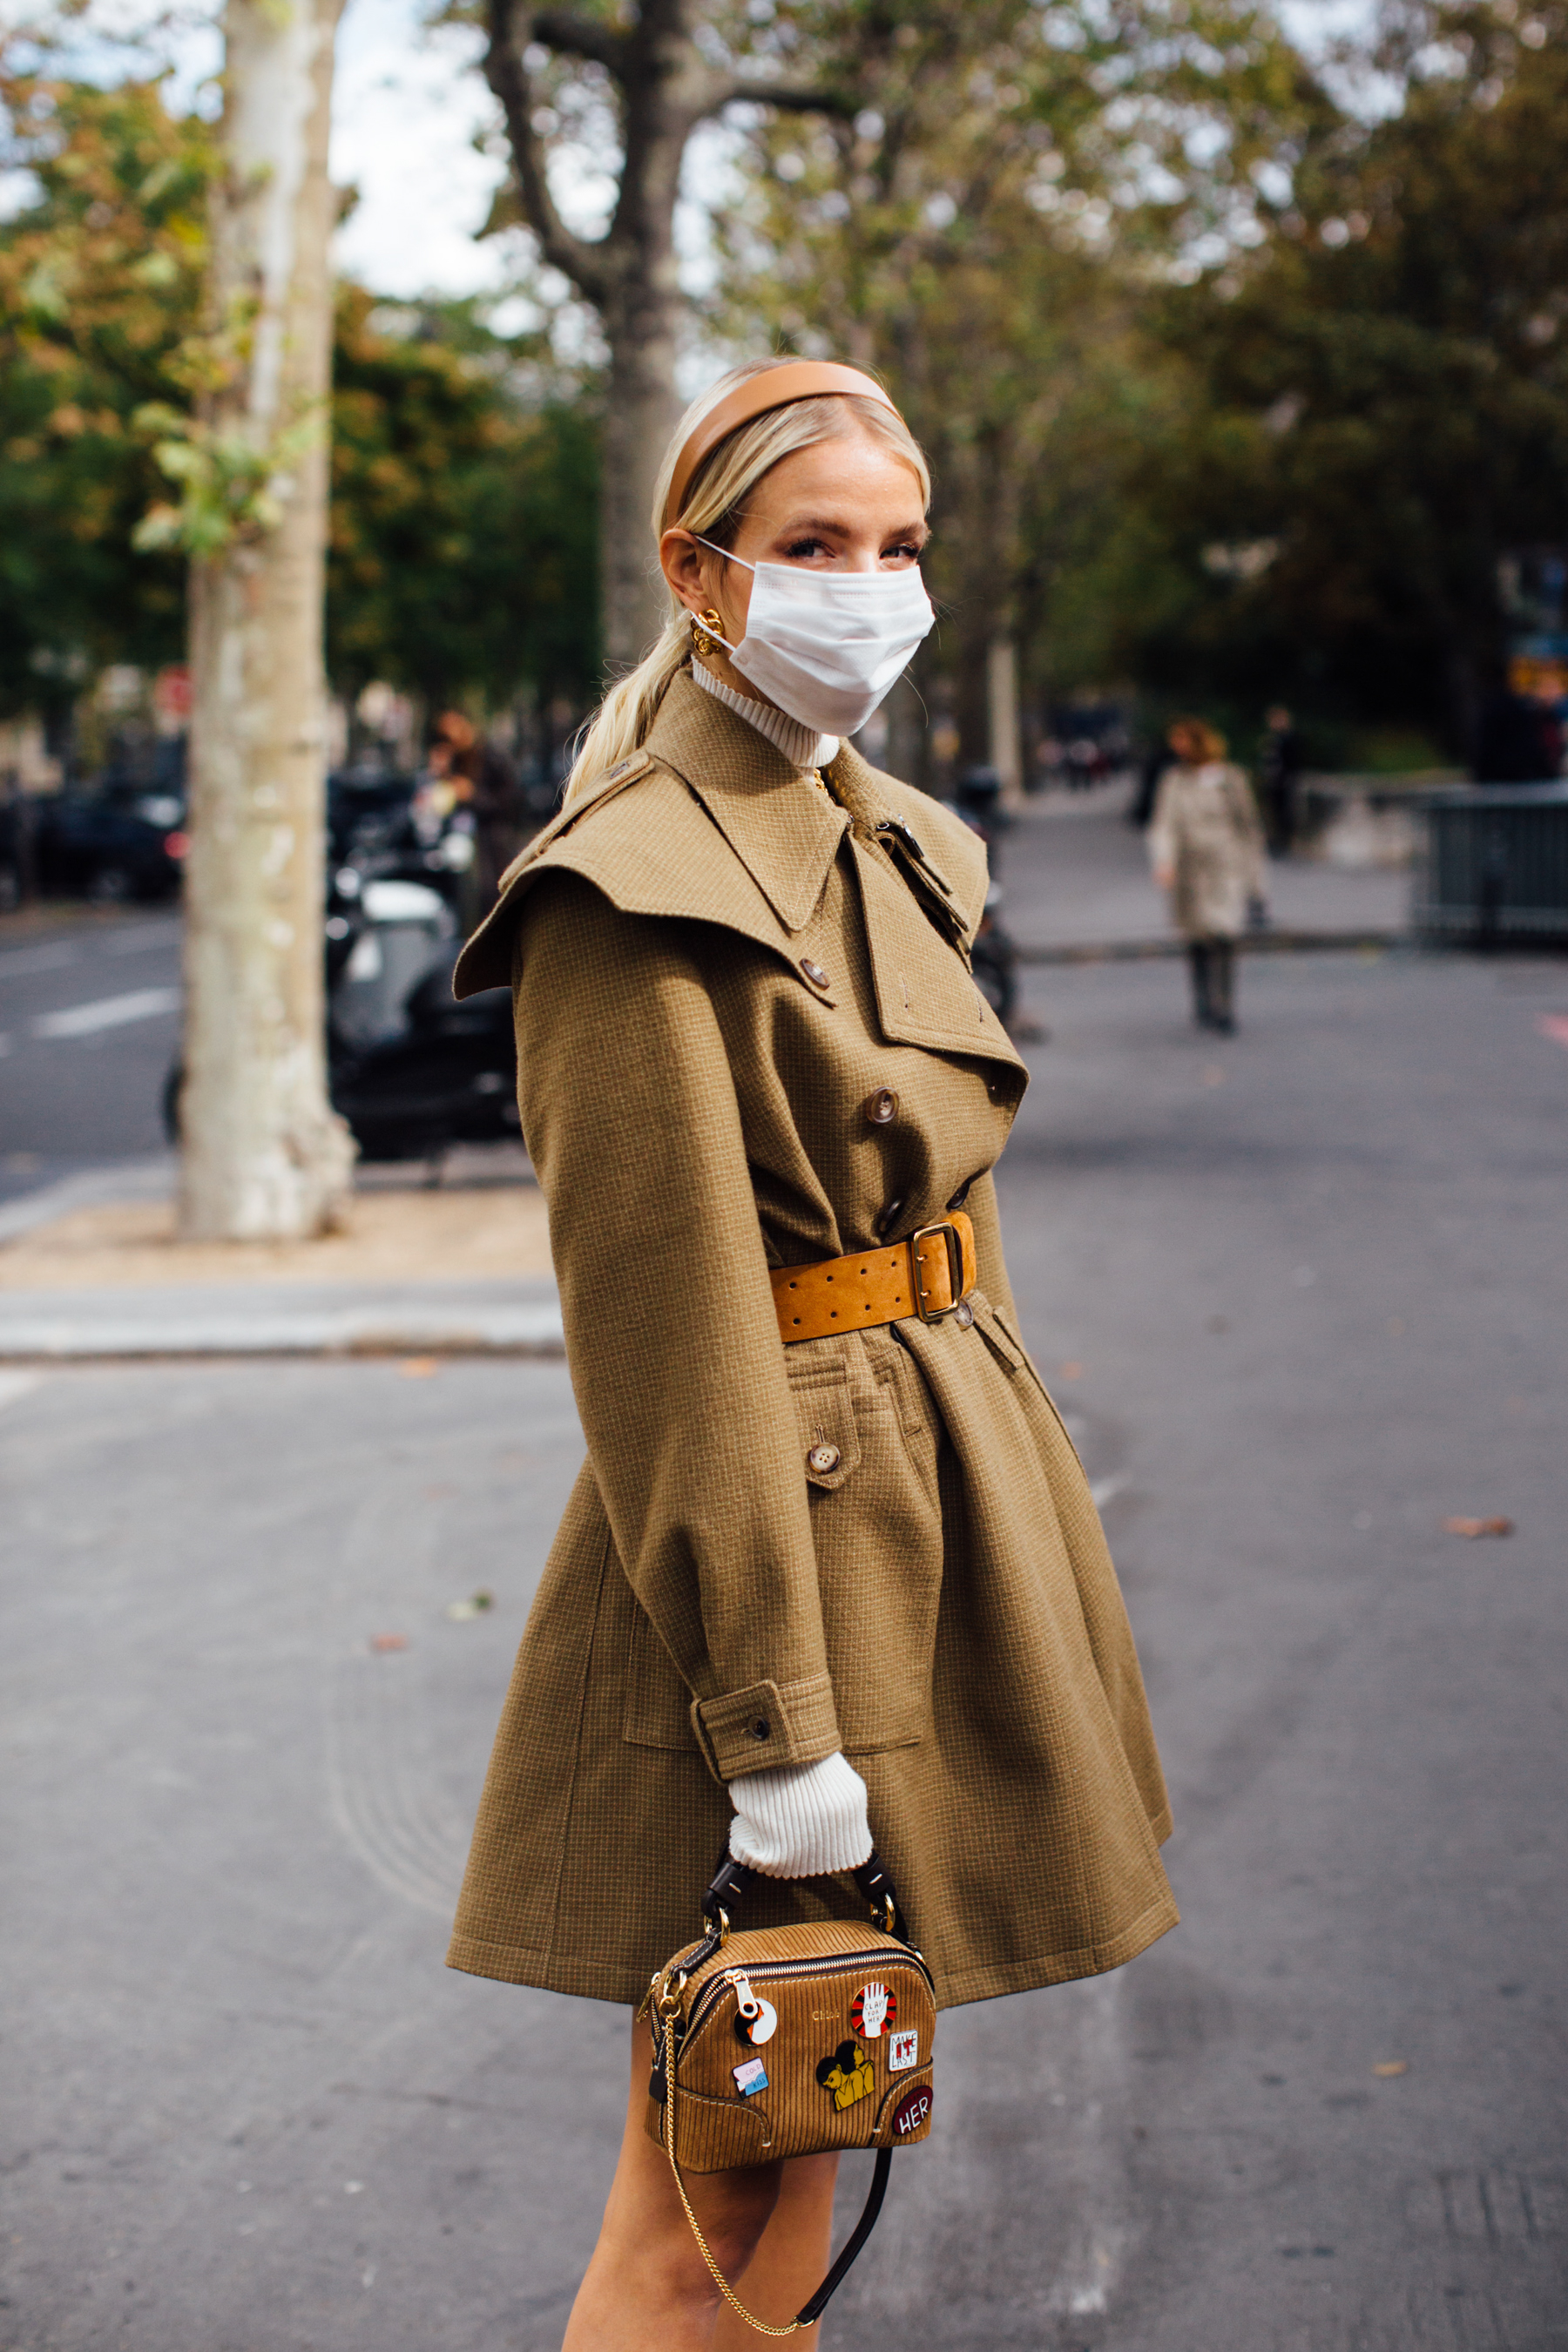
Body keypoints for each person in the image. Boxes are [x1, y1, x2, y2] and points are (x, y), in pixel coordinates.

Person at [446, 356, 1176, 2349]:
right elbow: (667, 1348)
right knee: (707, 2201)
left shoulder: (900, 842)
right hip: (778, 1579)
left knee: (797, 2152)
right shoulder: (628, 894)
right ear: (703, 574)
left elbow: (961, 1240)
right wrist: (776, 1741)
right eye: (816, 547)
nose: (873, 586)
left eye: (901, 545)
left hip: (938, 1530)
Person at [1148, 716, 1267, 1035]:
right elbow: (1165, 825)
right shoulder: (1174, 780)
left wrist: (1255, 877)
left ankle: (1225, 1006)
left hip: (1225, 869)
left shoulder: (1231, 779)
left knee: (1225, 933)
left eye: (1182, 740)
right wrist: (1164, 861)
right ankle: (1203, 1001)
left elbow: (1248, 827)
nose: (1177, 747)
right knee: (1197, 937)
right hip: (1190, 872)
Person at [1258, 704, 1303, 854]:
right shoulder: (1272, 738)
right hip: (1273, 781)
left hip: (1285, 781)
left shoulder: (1289, 738)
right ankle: (1276, 841)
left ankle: (1285, 843)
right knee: (1273, 812)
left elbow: (1294, 761)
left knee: (1286, 812)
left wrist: (1289, 778)